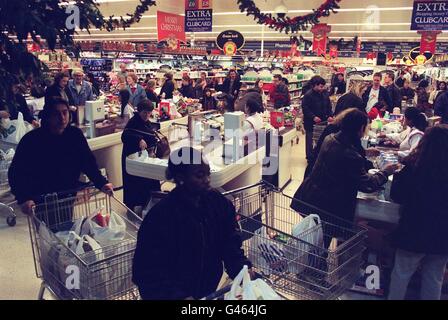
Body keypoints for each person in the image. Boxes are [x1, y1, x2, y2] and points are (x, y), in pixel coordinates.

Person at [132, 147, 252, 300]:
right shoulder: (161, 218)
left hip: (207, 291)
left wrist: (242, 269)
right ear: (180, 177)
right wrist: (177, 296)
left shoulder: (218, 203)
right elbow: (147, 272)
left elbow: (229, 242)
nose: (207, 180)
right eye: (199, 175)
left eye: (208, 173)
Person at [8, 97, 113, 226]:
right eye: (56, 114)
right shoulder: (31, 141)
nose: (62, 118)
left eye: (65, 112)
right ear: (47, 116)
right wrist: (23, 198)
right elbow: (16, 172)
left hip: (67, 196)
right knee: (47, 237)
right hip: (42, 200)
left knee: (65, 233)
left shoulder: (75, 135)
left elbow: (87, 162)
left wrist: (101, 183)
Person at [291, 109, 398, 228]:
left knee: (316, 236)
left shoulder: (331, 138)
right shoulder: (350, 155)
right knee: (320, 238)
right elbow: (367, 184)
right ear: (361, 128)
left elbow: (340, 156)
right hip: (327, 205)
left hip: (312, 195)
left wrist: (365, 152)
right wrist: (386, 171)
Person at [388, 125, 448, 300]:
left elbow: (397, 195)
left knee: (401, 273)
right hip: (442, 234)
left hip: (413, 230)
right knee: (434, 278)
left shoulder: (414, 167)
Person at [303, 108, 377, 179]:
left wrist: (365, 152)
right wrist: (384, 171)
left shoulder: (336, 132)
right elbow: (362, 178)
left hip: (313, 177)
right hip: (324, 184)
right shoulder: (348, 139)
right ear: (361, 127)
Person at [121, 100, 160, 212]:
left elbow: (150, 135)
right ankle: (132, 206)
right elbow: (125, 136)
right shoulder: (133, 122)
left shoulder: (147, 122)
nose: (147, 116)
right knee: (134, 183)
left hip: (144, 158)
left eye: (149, 113)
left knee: (147, 182)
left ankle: (147, 204)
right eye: (144, 113)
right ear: (139, 111)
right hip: (132, 158)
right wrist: (138, 139)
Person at [301, 76, 333, 161]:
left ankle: (319, 156)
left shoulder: (325, 93)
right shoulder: (308, 95)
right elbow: (305, 108)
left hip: (323, 121)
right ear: (314, 85)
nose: (322, 88)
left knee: (322, 138)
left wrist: (330, 115)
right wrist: (313, 117)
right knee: (310, 140)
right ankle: (310, 158)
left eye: (323, 86)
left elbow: (329, 106)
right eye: (320, 86)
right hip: (310, 122)